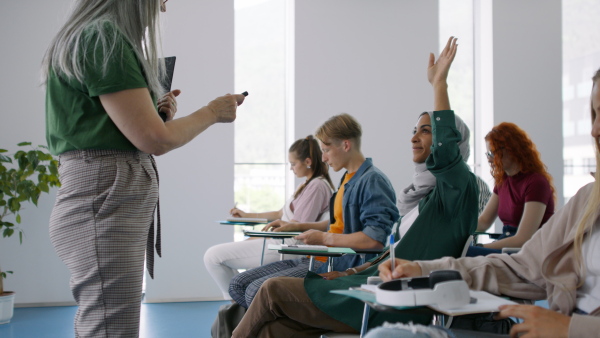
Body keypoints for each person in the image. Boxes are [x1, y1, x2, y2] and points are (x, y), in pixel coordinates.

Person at [231, 36, 480, 337]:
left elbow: (445, 153)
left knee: (270, 289)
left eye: (427, 131)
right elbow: (391, 252)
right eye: (413, 130)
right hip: (368, 284)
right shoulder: (424, 200)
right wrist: (349, 271)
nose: (414, 137)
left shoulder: (457, 188)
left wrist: (439, 84)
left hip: (389, 301)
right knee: (276, 329)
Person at [42, 1, 245, 336]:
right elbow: (155, 140)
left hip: (100, 195)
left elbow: (142, 133)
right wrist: (213, 111)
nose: (163, 7)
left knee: (106, 323)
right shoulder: (104, 38)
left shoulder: (91, 35)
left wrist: (157, 116)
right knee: (112, 327)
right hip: (104, 198)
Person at [373, 68, 600, 338]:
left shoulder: (479, 183)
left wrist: (570, 328)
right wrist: (424, 269)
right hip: (522, 268)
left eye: (494, 152)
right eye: (594, 115)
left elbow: (524, 238)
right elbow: (489, 232)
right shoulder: (587, 199)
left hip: (525, 262)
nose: (594, 129)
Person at [228, 113, 400, 309]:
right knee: (237, 284)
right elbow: (337, 224)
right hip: (316, 258)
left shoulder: (372, 181)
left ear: (345, 145)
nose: (324, 158)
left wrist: (325, 239)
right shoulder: (347, 179)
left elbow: (374, 240)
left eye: (326, 150)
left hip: (335, 265)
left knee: (255, 291)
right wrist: (298, 226)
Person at [203, 135, 335, 300]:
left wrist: (259, 236)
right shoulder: (306, 184)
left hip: (287, 245)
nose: (291, 168)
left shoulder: (317, 186)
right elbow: (280, 214)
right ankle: (237, 303)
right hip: (279, 241)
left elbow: (296, 225)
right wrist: (246, 215)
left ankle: (234, 304)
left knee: (213, 257)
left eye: (293, 164)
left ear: (308, 162)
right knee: (219, 257)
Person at [468, 123, 555, 256]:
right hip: (510, 246)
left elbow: (523, 239)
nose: (489, 159)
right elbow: (484, 222)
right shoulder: (503, 181)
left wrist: (482, 247)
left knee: (465, 253)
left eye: (493, 153)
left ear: (512, 149)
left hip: (528, 251)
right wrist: (453, 229)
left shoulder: (536, 182)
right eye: (488, 153)